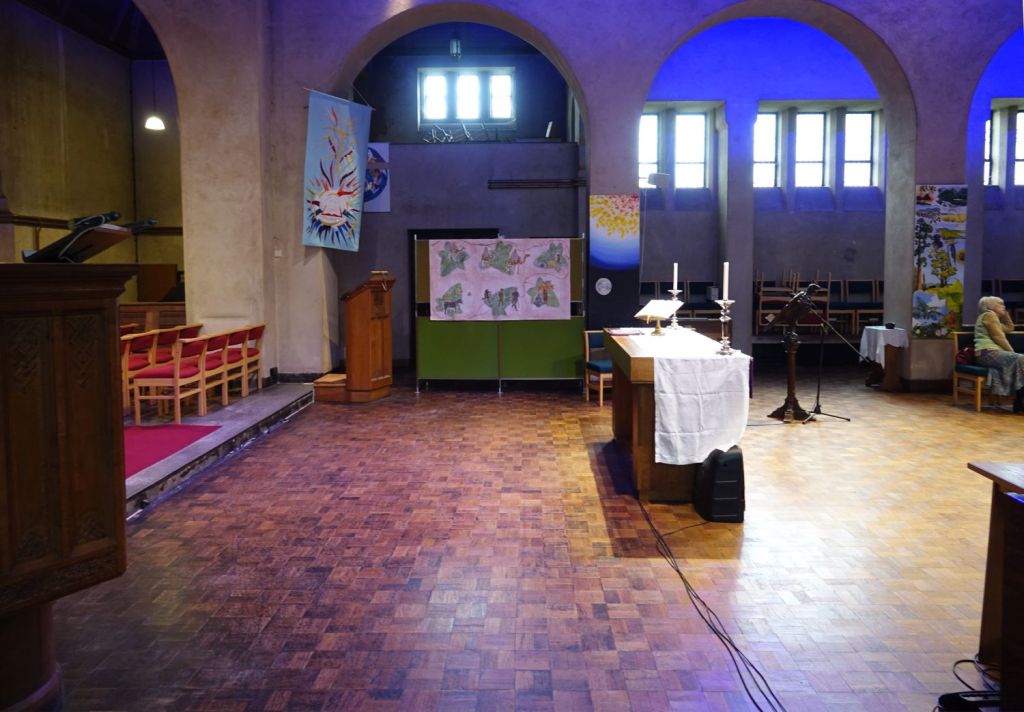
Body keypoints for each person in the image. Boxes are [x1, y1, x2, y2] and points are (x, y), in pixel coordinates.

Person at [974, 295, 1024, 412]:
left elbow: (1009, 327)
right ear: (991, 306)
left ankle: (1019, 401)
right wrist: (1012, 353)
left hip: (989, 354)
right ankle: (1019, 400)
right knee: (1021, 360)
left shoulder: (991, 318)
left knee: (1020, 365)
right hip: (988, 353)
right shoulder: (989, 315)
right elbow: (998, 337)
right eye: (1000, 304)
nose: (1003, 306)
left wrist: (1005, 314)